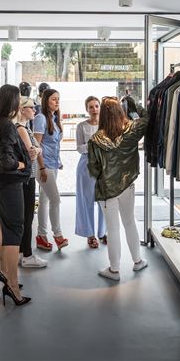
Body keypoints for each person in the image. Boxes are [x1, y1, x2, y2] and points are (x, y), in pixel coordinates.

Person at [88, 96, 149, 281]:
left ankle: (114, 270)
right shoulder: (132, 130)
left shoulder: (95, 140)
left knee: (113, 229)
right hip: (127, 184)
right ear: (120, 111)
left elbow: (93, 169)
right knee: (129, 222)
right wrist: (132, 103)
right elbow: (147, 117)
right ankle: (138, 261)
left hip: (107, 190)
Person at [0, 84, 32, 306]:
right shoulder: (6, 125)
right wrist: (22, 163)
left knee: (4, 225)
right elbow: (8, 161)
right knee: (14, 230)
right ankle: (12, 285)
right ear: (12, 101)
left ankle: (4, 273)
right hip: (9, 183)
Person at [12, 97, 48, 268]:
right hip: (27, 177)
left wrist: (37, 149)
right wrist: (38, 149)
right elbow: (32, 153)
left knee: (26, 215)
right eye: (32, 108)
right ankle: (27, 255)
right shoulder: (21, 129)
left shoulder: (24, 128)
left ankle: (22, 252)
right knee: (27, 216)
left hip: (27, 176)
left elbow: (34, 150)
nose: (35, 110)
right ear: (22, 109)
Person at [33, 88, 68, 251]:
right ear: (46, 100)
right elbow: (36, 145)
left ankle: (41, 236)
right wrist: (42, 167)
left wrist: (58, 162)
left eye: (58, 98)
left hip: (53, 165)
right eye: (54, 99)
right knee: (55, 200)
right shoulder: (40, 118)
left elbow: (54, 145)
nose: (57, 101)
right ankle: (58, 235)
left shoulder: (54, 118)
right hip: (43, 165)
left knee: (45, 200)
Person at [75, 96, 107, 248]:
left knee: (104, 200)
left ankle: (103, 232)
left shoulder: (106, 125)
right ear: (86, 109)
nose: (94, 109)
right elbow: (79, 148)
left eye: (96, 106)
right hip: (86, 165)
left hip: (104, 165)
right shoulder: (81, 126)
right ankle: (89, 234)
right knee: (86, 200)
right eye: (91, 107)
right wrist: (93, 145)